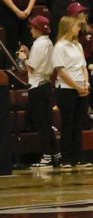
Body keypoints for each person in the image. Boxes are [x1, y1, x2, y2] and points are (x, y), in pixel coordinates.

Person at [52, 15, 92, 170]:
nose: (79, 28)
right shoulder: (59, 46)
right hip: (67, 89)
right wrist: (76, 86)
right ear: (68, 27)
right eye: (76, 25)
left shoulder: (78, 45)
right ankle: (66, 158)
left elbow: (83, 66)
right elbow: (61, 71)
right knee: (68, 123)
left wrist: (86, 84)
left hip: (81, 88)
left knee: (78, 124)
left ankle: (78, 157)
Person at [24, 15, 57, 169]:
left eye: (32, 28)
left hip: (36, 85)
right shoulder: (49, 42)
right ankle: (55, 153)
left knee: (41, 123)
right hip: (46, 84)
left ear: (38, 29)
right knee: (48, 122)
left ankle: (46, 156)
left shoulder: (38, 44)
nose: (30, 30)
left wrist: (24, 57)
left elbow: (32, 67)